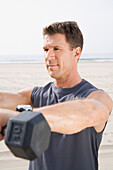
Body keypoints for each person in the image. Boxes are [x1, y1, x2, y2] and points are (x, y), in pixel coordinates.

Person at [0, 21, 113, 170]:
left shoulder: (96, 97)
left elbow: (89, 111)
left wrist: (21, 119)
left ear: (76, 53)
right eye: (46, 49)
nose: (49, 56)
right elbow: (3, 99)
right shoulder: (37, 94)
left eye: (57, 49)